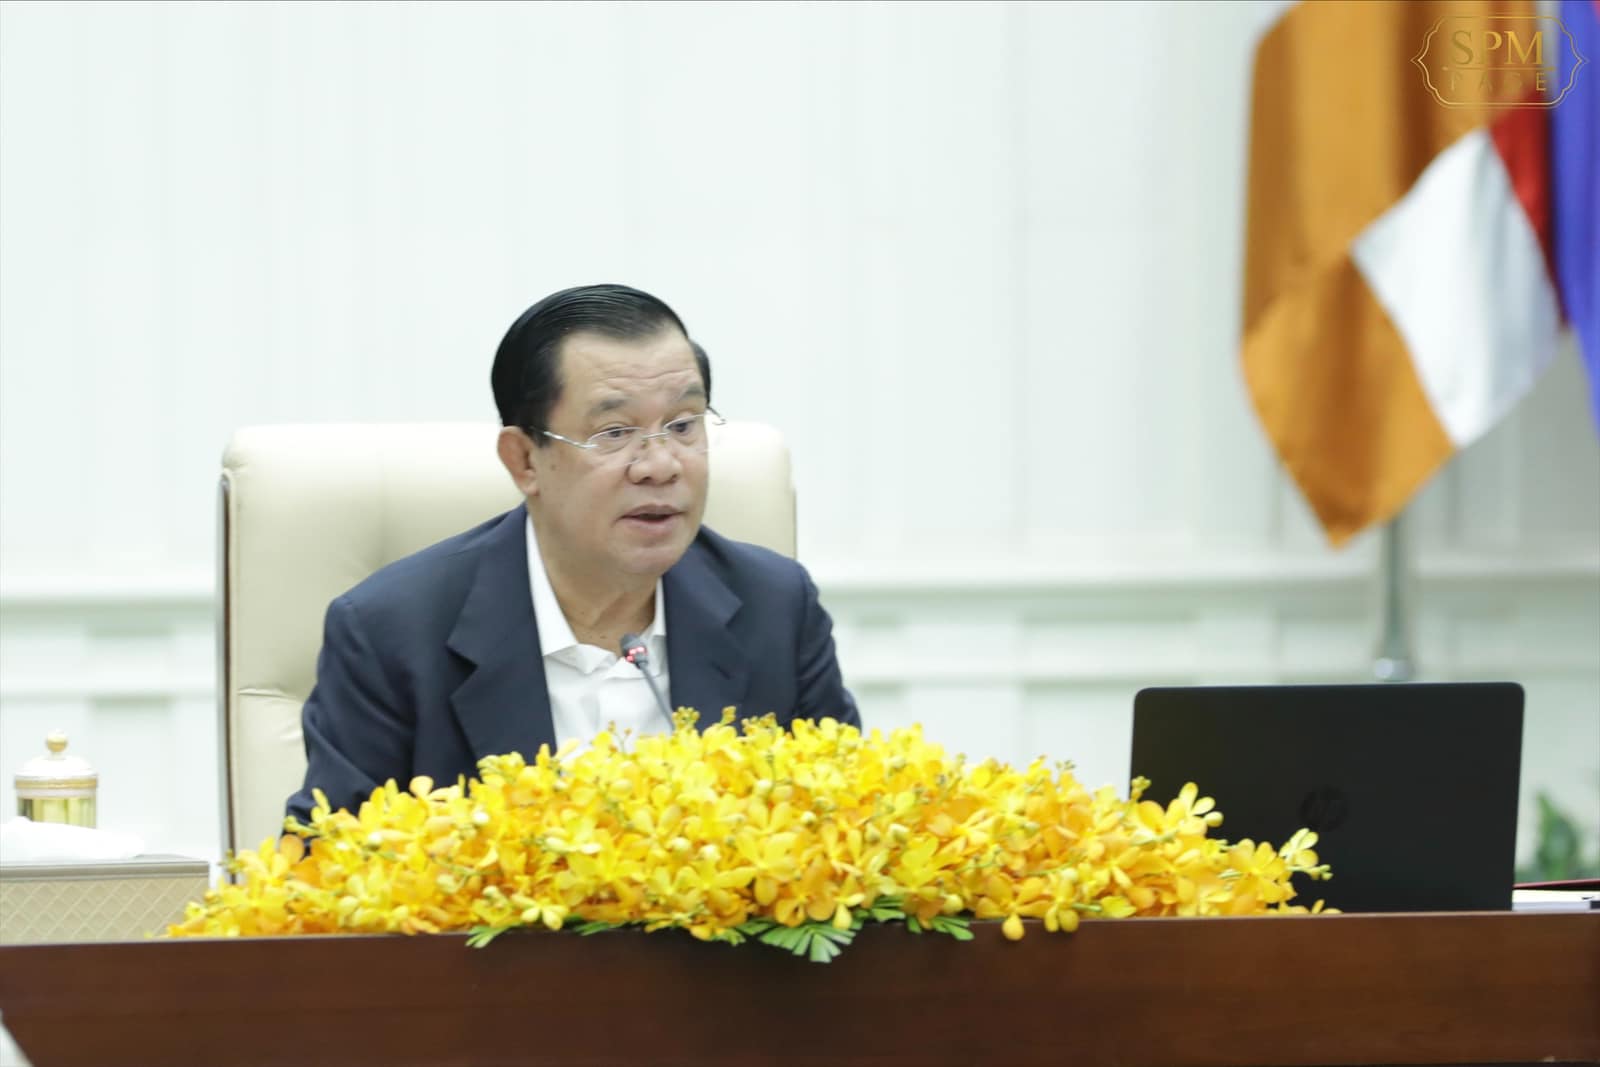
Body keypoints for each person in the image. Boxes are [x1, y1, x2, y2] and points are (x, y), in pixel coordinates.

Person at [286, 284, 859, 824]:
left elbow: (847, 828)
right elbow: (329, 862)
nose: (660, 465)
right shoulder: (392, 631)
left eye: (684, 425)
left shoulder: (776, 607)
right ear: (524, 461)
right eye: (614, 433)